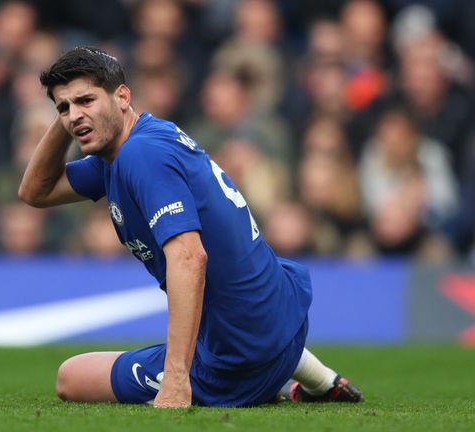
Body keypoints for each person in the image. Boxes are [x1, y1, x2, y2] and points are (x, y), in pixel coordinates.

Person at [18, 46, 363, 408]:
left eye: (86, 100)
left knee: (71, 376)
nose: (74, 116)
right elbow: (34, 191)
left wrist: (177, 378)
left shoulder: (141, 156)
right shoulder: (134, 145)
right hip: (283, 319)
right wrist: (76, 113)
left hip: (238, 359)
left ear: (122, 96)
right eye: (63, 108)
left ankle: (265, 382)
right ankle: (314, 376)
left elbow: (189, 258)